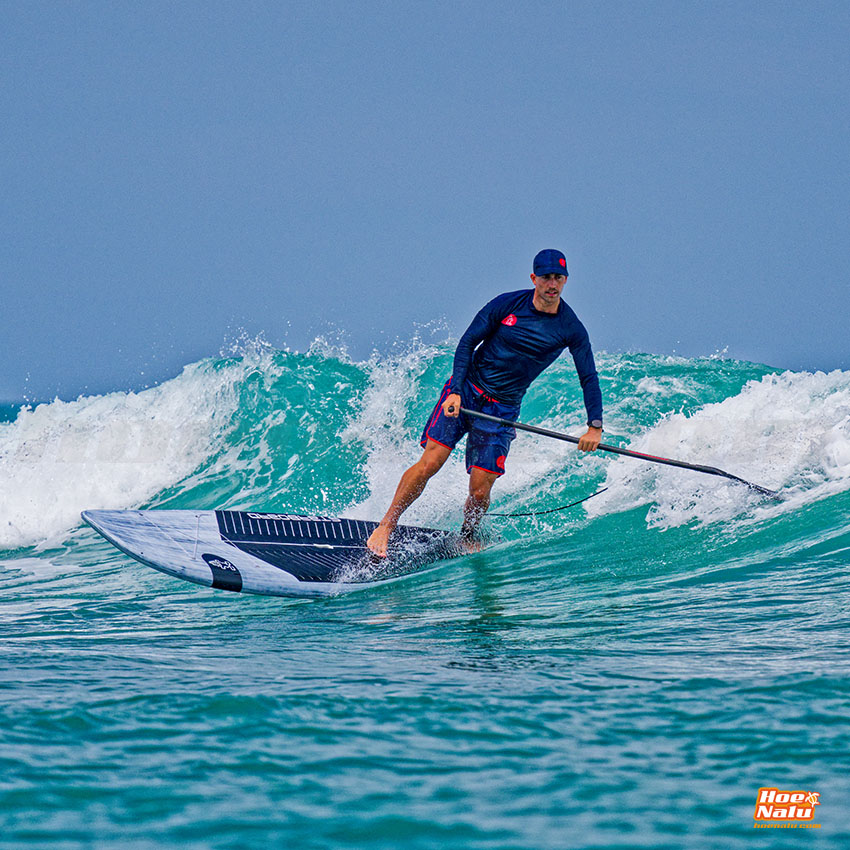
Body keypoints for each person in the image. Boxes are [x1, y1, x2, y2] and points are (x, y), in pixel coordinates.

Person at [366, 249, 603, 557]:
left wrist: (594, 426)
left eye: (558, 278)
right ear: (534, 278)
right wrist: (455, 391)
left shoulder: (571, 328)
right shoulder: (506, 304)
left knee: (480, 490)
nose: (552, 284)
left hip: (501, 409)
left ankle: (467, 536)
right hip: (467, 391)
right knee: (431, 462)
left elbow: (589, 377)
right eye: (546, 277)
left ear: (566, 280)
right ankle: (386, 526)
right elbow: (467, 342)